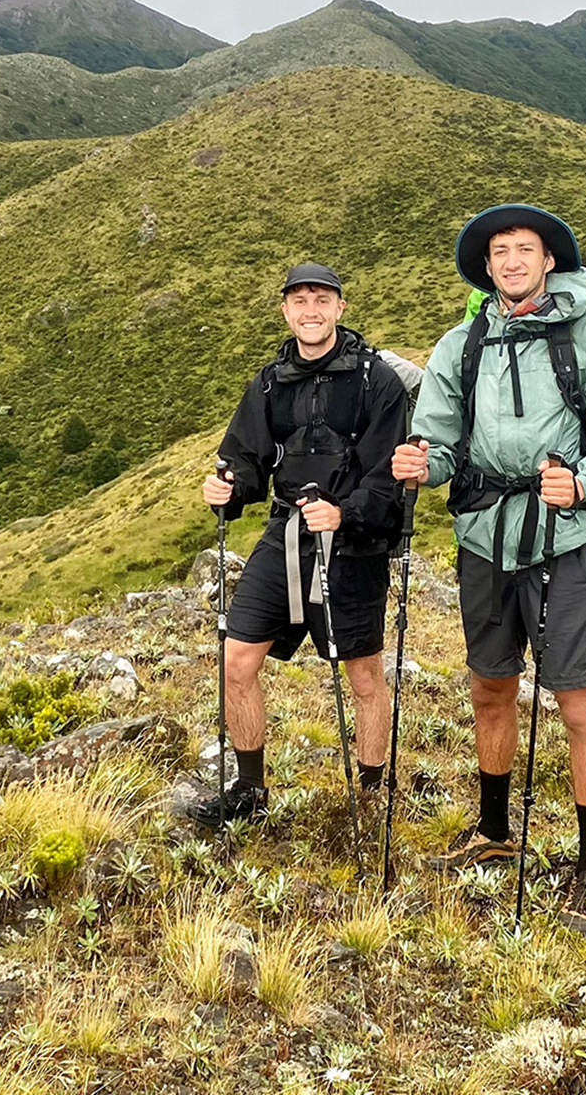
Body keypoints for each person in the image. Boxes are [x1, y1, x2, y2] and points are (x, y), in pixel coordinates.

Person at [391, 205, 586, 933]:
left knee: (577, 702)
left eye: (524, 249)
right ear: (487, 266)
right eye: (499, 251)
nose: (511, 261)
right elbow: (441, 444)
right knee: (490, 686)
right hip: (484, 539)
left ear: (548, 260)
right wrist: (422, 464)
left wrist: (582, 482)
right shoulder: (462, 344)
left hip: (566, 540)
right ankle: (496, 831)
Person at [188, 263, 411, 826]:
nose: (311, 311)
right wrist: (228, 487)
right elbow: (246, 457)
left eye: (321, 300)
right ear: (285, 310)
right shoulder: (269, 383)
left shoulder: (377, 381)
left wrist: (345, 513)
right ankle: (250, 790)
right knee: (236, 660)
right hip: (285, 535)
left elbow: (388, 472)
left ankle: (370, 794)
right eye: (300, 301)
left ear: (340, 308)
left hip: (354, 544)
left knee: (363, 675)